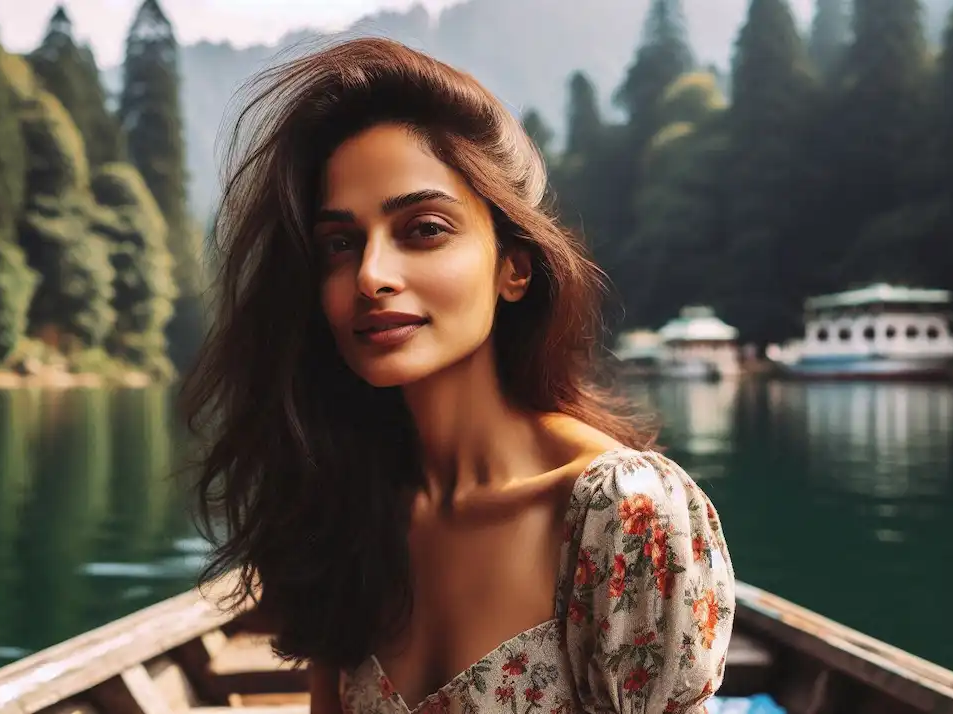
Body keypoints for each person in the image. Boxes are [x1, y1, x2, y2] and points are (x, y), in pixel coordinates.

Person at [179, 36, 735, 714]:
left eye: (423, 229)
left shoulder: (623, 514)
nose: (371, 275)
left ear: (514, 267)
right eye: (339, 243)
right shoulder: (343, 506)